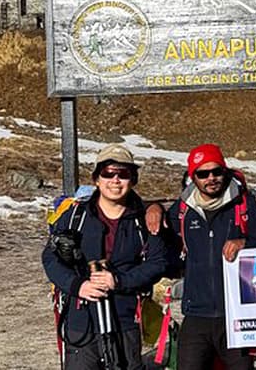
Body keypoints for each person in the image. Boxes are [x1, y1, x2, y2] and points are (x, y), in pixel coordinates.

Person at [43, 144, 170, 370]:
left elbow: (159, 263)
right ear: (96, 179)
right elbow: (50, 258)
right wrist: (77, 285)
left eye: (123, 174)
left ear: (133, 180)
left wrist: (119, 280)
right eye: (108, 173)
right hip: (80, 320)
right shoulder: (75, 216)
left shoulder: (147, 220)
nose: (115, 180)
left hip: (125, 319)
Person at [163, 143, 256, 370]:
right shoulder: (183, 210)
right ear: (193, 177)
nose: (211, 178)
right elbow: (163, 241)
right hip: (196, 314)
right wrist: (154, 210)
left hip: (237, 315)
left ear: (225, 171)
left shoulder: (243, 204)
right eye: (203, 173)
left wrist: (245, 243)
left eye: (216, 171)